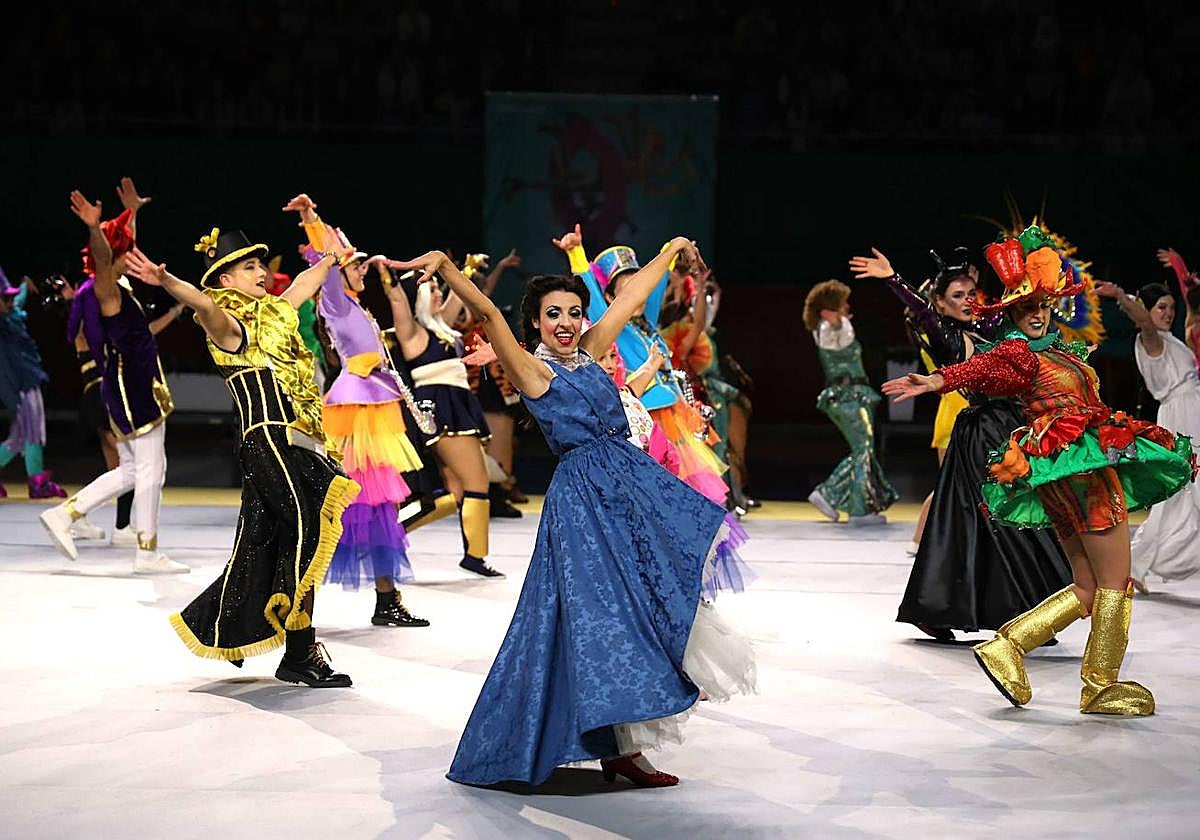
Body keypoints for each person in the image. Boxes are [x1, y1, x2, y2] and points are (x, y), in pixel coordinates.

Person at [391, 239, 754, 789]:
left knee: (649, 598)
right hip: (584, 506)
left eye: (573, 312)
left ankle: (622, 747)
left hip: (631, 488)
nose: (565, 323)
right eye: (553, 314)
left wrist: (673, 248)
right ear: (534, 322)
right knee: (596, 620)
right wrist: (444, 267)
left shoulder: (589, 351)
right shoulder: (533, 369)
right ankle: (605, 745)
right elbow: (488, 313)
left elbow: (631, 297)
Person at [884, 227, 1194, 716]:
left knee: (1088, 587)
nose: (1036, 313)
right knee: (1116, 581)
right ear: (1010, 313)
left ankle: (1008, 647)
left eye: (1042, 305)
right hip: (1080, 472)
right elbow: (980, 368)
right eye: (1025, 308)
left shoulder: (1055, 350)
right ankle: (1100, 686)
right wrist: (939, 379)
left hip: (1064, 472)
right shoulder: (1017, 353)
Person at [124, 227, 359, 687]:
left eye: (261, 264)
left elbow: (299, 287)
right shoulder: (229, 325)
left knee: (272, 540)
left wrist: (330, 259)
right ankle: (299, 649)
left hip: (295, 441)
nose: (261, 272)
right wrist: (167, 281)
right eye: (248, 266)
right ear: (225, 280)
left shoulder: (272, 314)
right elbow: (206, 305)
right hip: (267, 441)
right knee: (305, 529)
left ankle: (280, 643)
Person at [852, 247, 1071, 641]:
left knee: (981, 524)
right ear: (939, 303)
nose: (968, 301)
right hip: (984, 433)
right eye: (956, 296)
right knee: (1004, 519)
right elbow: (923, 314)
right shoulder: (946, 336)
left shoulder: (990, 327)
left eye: (971, 293)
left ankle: (1010, 607)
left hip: (1010, 426)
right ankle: (1023, 610)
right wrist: (893, 280)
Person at [282, 194, 428, 628]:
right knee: (345, 505)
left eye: (362, 263)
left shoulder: (359, 307)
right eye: (356, 264)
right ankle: (298, 598)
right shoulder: (336, 300)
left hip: (372, 405)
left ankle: (385, 597)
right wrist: (312, 220)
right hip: (356, 408)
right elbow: (323, 265)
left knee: (375, 505)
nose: (362, 268)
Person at [41, 182, 183, 574]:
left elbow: (121, 246)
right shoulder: (105, 288)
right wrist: (93, 227)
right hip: (132, 387)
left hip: (127, 385)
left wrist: (132, 212)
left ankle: (66, 514)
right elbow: (107, 257)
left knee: (134, 471)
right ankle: (147, 552)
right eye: (123, 247)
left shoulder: (118, 285)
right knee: (151, 470)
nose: (132, 251)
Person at [1096, 280, 1200, 591]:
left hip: (1189, 411)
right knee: (1187, 491)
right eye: (1160, 308)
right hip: (1183, 417)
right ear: (1146, 310)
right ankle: (1137, 563)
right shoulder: (1151, 339)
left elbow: (1189, 320)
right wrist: (1120, 296)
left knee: (1178, 499)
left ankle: (1137, 564)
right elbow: (1142, 320)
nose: (1167, 313)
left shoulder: (1170, 339)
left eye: (1171, 307)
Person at [65, 276, 185, 543]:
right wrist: (77, 298)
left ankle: (106, 522)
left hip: (103, 393)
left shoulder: (114, 323)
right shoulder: (92, 322)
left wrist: (175, 311)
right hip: (101, 393)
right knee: (129, 466)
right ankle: (84, 516)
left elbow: (145, 331)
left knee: (124, 466)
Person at [803, 279, 898, 525]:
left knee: (864, 449)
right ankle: (856, 510)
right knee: (864, 449)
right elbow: (842, 334)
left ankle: (830, 495)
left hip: (851, 396)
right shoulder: (828, 330)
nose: (847, 307)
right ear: (828, 311)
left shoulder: (832, 328)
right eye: (842, 304)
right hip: (847, 397)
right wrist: (840, 320)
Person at [0, 269, 66, 499]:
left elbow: (19, 298)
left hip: (29, 381)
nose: (10, 301)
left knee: (20, 436)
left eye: (10, 297)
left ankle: (37, 482)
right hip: (19, 386)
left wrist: (25, 285)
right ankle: (37, 483)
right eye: (4, 298)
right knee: (32, 432)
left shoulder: (13, 313)